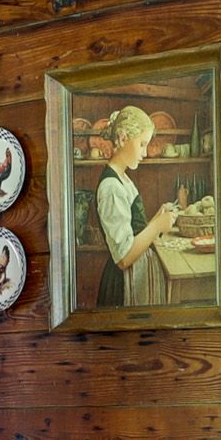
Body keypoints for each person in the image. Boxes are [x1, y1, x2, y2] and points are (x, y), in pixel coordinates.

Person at [87, 104, 206, 307]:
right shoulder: (111, 188)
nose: (145, 152)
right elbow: (123, 258)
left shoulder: (123, 178)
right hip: (125, 283)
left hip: (137, 273)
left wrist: (155, 219)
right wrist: (157, 226)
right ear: (123, 138)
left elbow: (133, 231)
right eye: (142, 144)